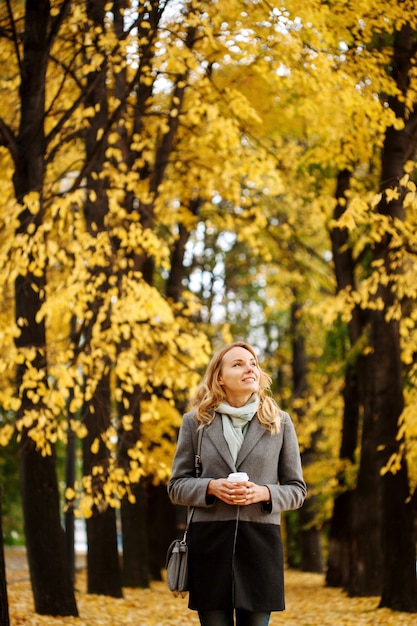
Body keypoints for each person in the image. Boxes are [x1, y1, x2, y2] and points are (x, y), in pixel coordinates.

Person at [168, 341, 306, 626]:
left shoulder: (280, 422)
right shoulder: (195, 422)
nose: (249, 369)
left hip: (260, 545)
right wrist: (210, 487)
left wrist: (264, 492)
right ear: (219, 377)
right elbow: (176, 485)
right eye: (238, 364)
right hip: (209, 544)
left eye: (253, 363)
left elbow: (297, 490)